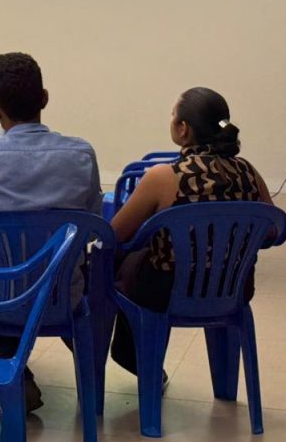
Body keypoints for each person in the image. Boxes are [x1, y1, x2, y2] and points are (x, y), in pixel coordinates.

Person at [0, 52, 102, 412]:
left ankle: (3, 376)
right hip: (63, 293)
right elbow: (90, 227)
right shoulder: (81, 154)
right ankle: (25, 379)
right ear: (44, 98)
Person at [109, 87, 274, 377]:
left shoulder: (164, 177)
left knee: (117, 263)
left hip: (169, 291)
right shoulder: (248, 172)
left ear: (183, 129)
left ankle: (131, 357)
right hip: (234, 289)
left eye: (173, 115)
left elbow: (115, 234)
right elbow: (272, 232)